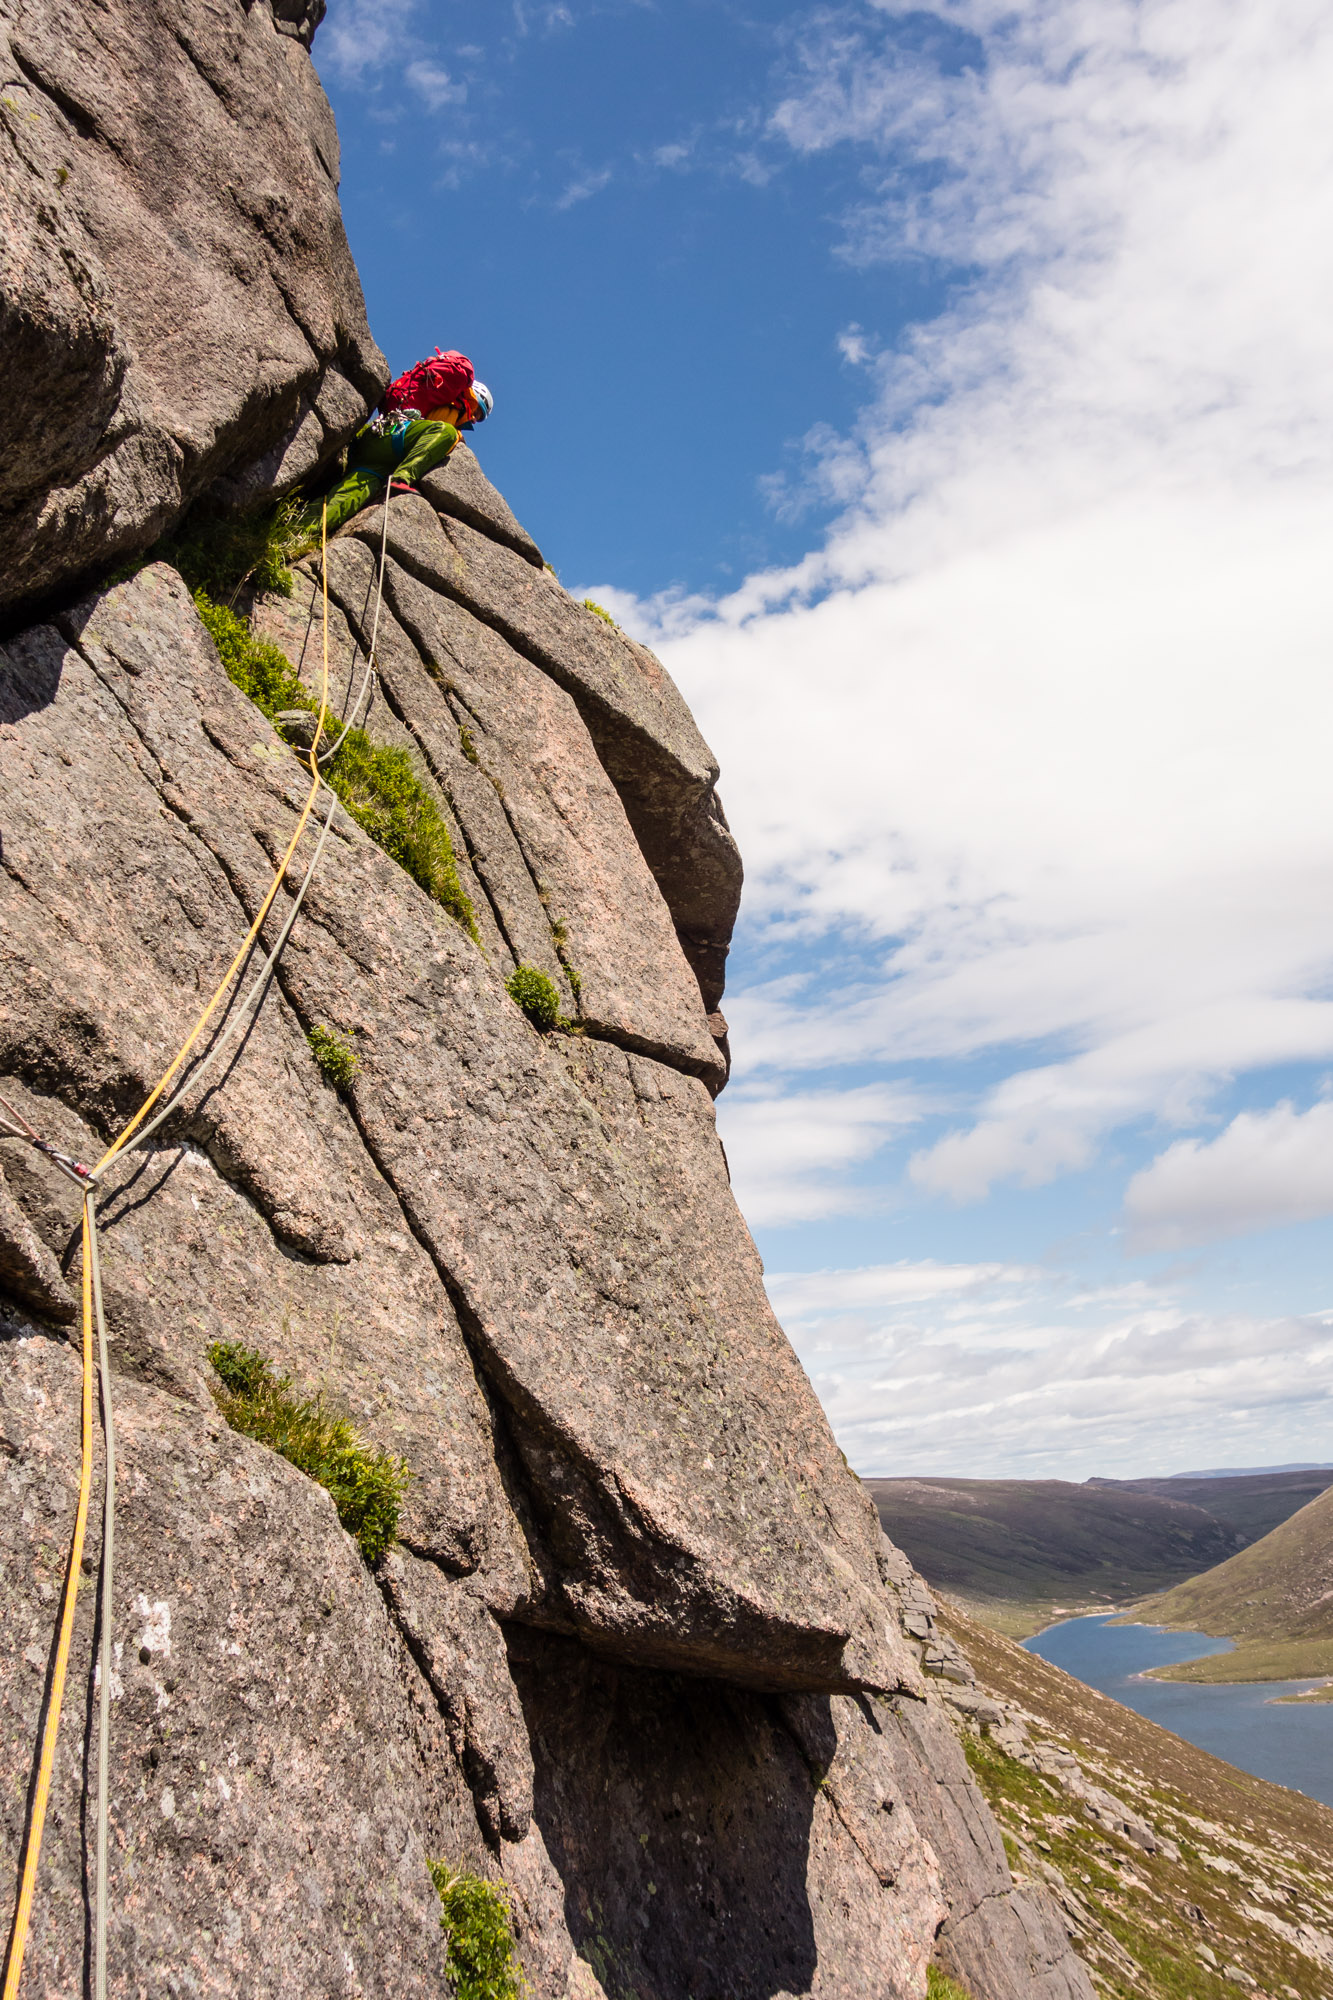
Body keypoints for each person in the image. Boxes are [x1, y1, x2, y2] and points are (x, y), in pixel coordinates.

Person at [300, 348, 492, 539]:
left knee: (344, 500)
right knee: (447, 432)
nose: (474, 419)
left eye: (479, 417)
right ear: (475, 399)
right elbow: (436, 427)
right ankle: (401, 479)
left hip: (373, 446)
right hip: (392, 439)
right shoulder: (456, 406)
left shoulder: (440, 397)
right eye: (478, 413)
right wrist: (457, 437)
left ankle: (297, 531)